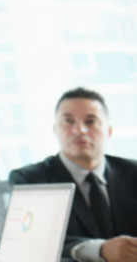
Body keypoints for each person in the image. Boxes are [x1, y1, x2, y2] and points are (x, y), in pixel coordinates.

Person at [8, 87, 137, 262]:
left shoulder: (132, 172)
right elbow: (32, 242)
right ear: (55, 129)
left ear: (109, 131)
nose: (80, 130)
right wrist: (99, 250)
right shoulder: (30, 180)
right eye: (68, 121)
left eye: (91, 121)